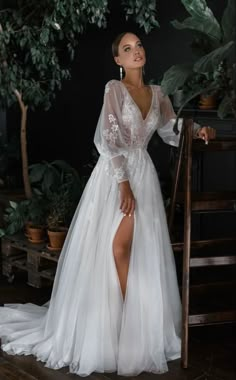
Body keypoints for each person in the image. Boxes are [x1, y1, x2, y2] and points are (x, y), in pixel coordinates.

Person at [0, 32, 216, 376]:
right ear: (118, 60)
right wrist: (123, 185)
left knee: (136, 249)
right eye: (127, 49)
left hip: (142, 174)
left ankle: (133, 328)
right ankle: (128, 322)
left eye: (139, 45)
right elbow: (107, 138)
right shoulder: (114, 90)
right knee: (117, 247)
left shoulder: (158, 94)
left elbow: (170, 130)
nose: (136, 52)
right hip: (116, 175)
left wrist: (198, 130)